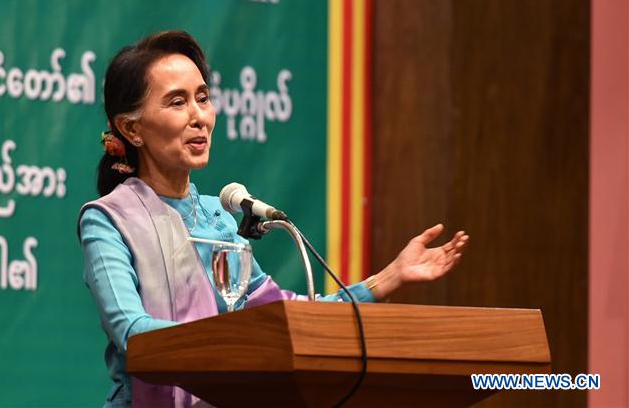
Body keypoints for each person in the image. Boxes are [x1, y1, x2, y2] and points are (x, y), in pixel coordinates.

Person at [78, 31, 469, 407]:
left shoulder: (219, 218)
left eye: (203, 98)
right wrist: (237, 340)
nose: (199, 117)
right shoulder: (109, 221)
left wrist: (389, 278)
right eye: (177, 102)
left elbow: (287, 318)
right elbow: (133, 334)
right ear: (131, 128)